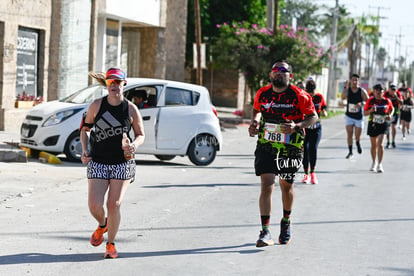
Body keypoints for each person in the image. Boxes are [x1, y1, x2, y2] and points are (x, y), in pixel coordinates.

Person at [248, 60, 318, 247]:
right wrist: (254, 122)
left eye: (283, 70)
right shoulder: (263, 93)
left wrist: (298, 126)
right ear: (271, 75)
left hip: (291, 147)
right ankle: (265, 231)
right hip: (266, 145)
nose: (278, 73)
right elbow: (256, 109)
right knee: (267, 185)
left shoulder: (299, 95)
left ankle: (286, 221)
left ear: (290, 76)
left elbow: (313, 116)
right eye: (275, 70)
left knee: (286, 186)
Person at [80, 67, 145, 258]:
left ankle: (111, 244)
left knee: (114, 204)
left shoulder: (131, 109)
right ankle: (103, 225)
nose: (114, 86)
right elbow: (85, 129)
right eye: (110, 82)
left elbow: (141, 135)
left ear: (124, 84)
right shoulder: (97, 105)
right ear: (107, 84)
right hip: (99, 160)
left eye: (118, 82)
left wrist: (133, 145)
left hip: (122, 163)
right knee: (94, 205)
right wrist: (85, 149)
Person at [363, 84, 394, 173]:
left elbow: (391, 109)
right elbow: (364, 113)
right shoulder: (370, 101)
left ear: (383, 92)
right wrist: (371, 110)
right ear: (374, 92)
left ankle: (380, 164)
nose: (378, 93)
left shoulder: (387, 101)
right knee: (373, 145)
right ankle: (374, 162)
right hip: (373, 124)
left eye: (380, 92)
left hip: (383, 124)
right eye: (376, 91)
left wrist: (390, 115)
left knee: (380, 144)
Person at [302, 79, 327, 184]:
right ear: (306, 90)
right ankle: (306, 174)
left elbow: (324, 109)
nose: (311, 94)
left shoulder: (319, 97)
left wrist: (324, 112)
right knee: (305, 151)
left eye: (312, 92)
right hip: (305, 129)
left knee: (313, 149)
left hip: (316, 128)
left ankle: (313, 173)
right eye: (309, 92)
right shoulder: (303, 97)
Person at [342, 74, 369, 159]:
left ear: (358, 82)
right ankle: (350, 152)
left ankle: (357, 143)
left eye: (356, 80)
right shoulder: (348, 90)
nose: (354, 82)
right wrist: (345, 87)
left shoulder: (362, 91)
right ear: (350, 81)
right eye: (353, 80)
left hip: (358, 117)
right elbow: (343, 97)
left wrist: (361, 104)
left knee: (357, 135)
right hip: (349, 115)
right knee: (349, 134)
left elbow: (368, 101)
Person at [384, 84, 402, 148]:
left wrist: (396, 97)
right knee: (387, 127)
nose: (393, 91)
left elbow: (401, 102)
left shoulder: (397, 94)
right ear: (389, 89)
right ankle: (388, 141)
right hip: (388, 112)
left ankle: (393, 141)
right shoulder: (386, 94)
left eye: (394, 90)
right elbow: (382, 100)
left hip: (395, 112)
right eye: (392, 90)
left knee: (393, 126)